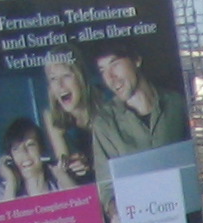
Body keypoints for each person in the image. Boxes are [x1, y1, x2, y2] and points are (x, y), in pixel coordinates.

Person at [90, 40, 191, 161]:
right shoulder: (104, 123)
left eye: (114, 64)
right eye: (102, 70)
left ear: (136, 60)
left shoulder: (177, 103)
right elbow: (106, 179)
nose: (110, 77)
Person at [42, 48, 100, 188]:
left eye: (66, 76)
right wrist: (69, 168)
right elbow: (65, 168)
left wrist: (91, 164)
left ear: (81, 77)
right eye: (53, 79)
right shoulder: (51, 116)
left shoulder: (106, 105)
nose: (60, 85)